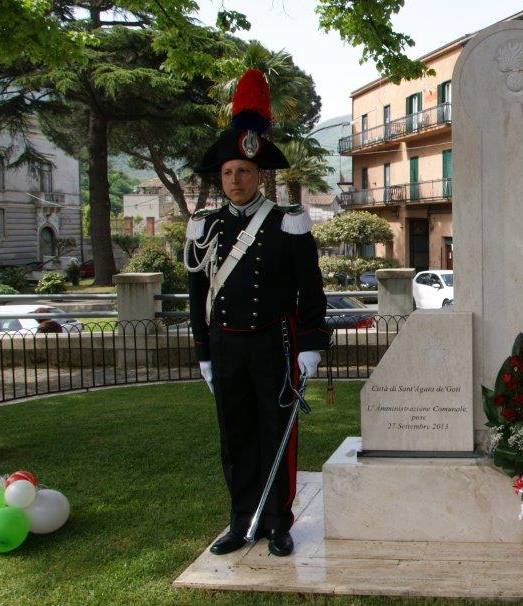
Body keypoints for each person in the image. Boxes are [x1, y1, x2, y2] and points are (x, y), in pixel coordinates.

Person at [185, 69, 331, 557]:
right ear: (221, 176)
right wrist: (203, 353)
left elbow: (310, 289)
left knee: (277, 434)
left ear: (259, 173)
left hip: (275, 343)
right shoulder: (204, 227)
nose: (235, 180)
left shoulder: (287, 222)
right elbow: (197, 295)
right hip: (226, 344)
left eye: (244, 172)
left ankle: (278, 522)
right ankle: (239, 519)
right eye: (228, 172)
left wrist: (311, 345)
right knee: (235, 435)